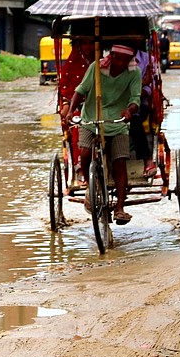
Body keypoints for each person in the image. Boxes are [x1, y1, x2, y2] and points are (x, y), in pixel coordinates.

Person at [66, 44, 142, 226]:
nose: (121, 63)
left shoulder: (134, 73)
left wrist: (129, 111)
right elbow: (80, 90)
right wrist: (71, 110)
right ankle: (88, 183)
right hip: (91, 119)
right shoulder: (96, 68)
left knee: (120, 162)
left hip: (117, 123)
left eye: (125, 60)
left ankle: (120, 208)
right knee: (85, 153)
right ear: (112, 56)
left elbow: (135, 99)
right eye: (117, 58)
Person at [57, 36, 94, 184]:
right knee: (77, 122)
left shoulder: (105, 63)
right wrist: (67, 106)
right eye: (84, 43)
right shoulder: (72, 63)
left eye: (92, 43)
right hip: (78, 107)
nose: (88, 47)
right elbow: (66, 91)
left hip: (102, 107)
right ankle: (80, 168)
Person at [129, 47, 157, 178]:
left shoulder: (148, 60)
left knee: (134, 119)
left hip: (139, 102)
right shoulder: (108, 61)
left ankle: (147, 159)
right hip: (114, 103)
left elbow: (149, 86)